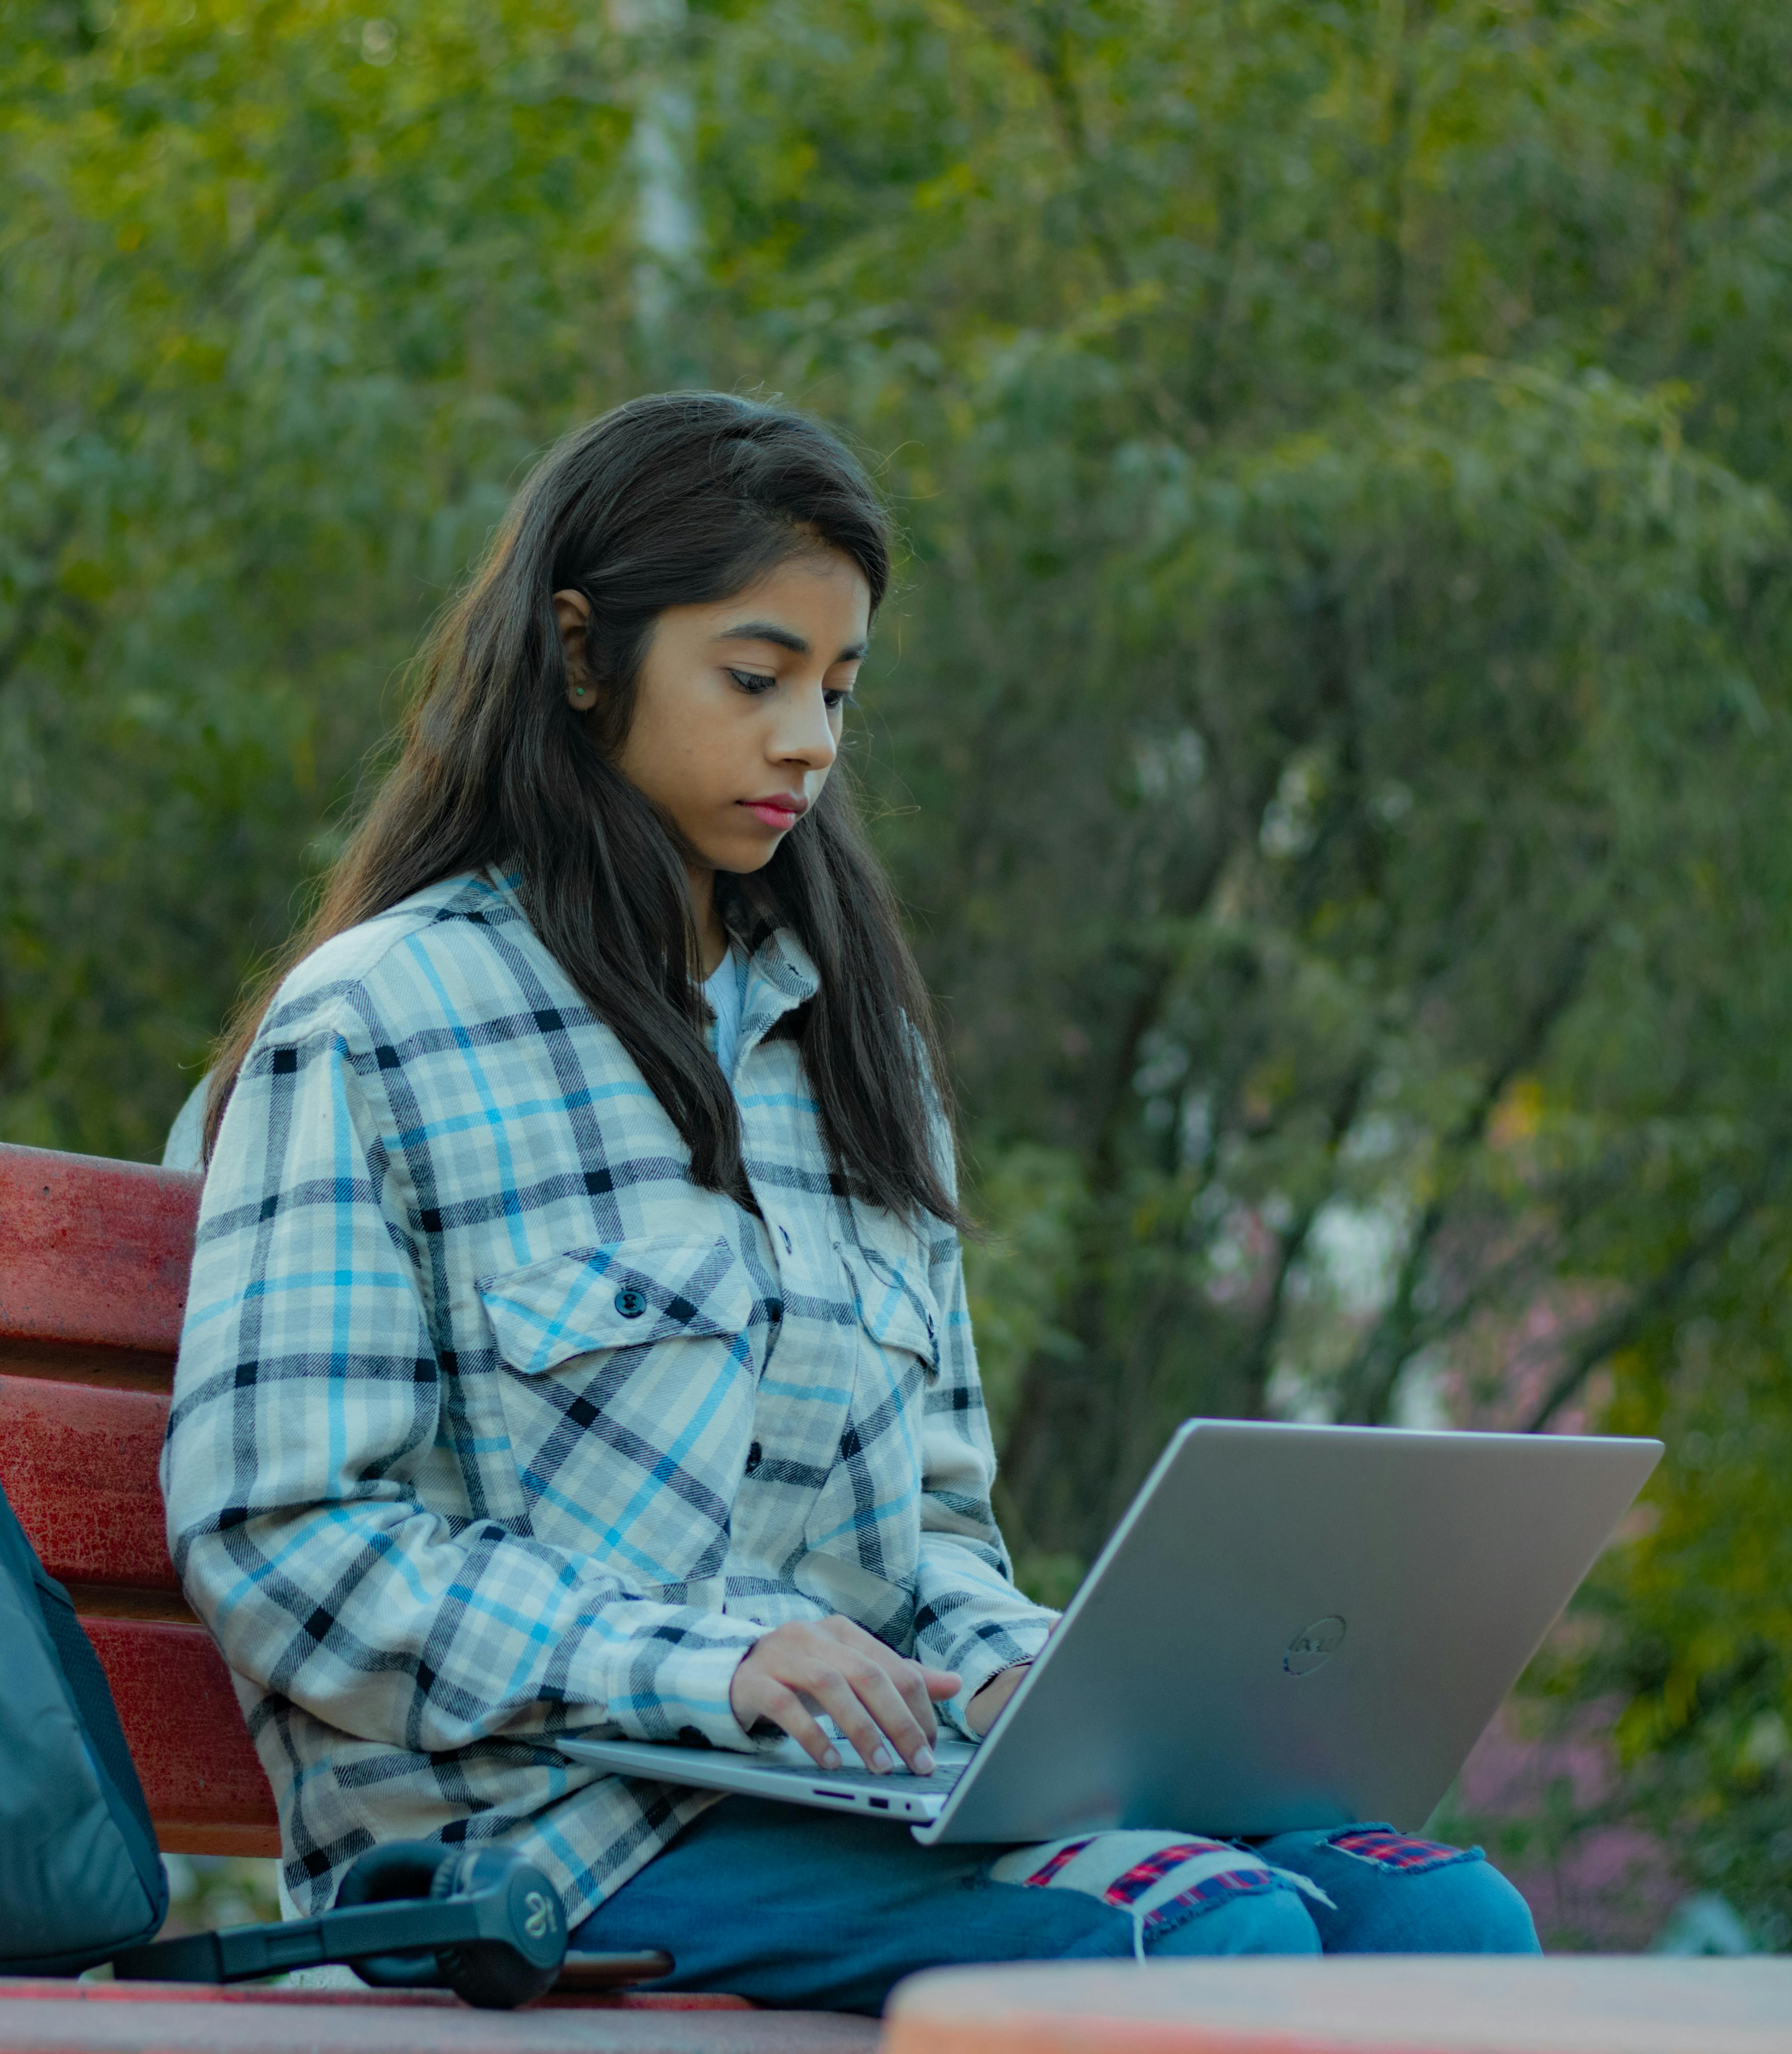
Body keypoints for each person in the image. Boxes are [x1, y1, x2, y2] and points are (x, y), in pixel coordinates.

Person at [158, 392, 1537, 2013]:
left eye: (836, 687)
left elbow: (929, 1539)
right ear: (584, 652)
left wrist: (1025, 1672)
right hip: (536, 1838)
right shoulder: (383, 1023)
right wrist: (711, 1665)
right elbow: (280, 1535)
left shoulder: (853, 1051)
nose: (809, 740)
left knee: (1441, 1916)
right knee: (1201, 1933)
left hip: (855, 1800)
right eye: (755, 679)